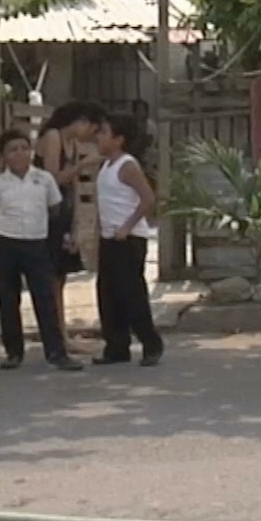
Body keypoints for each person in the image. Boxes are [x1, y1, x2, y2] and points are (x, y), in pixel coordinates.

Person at [0, 130, 84, 371]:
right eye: (13, 150)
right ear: (4, 157)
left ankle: (56, 353)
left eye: (24, 148)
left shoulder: (44, 179)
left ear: (31, 152)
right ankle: (13, 352)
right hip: (6, 244)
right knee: (8, 298)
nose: (19, 154)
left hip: (37, 243)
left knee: (45, 298)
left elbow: (55, 209)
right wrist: (5, 231)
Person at [92, 113, 165, 366]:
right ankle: (116, 345)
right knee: (108, 293)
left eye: (104, 132)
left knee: (131, 293)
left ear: (119, 139)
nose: (98, 137)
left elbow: (148, 199)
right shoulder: (106, 166)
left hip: (128, 238)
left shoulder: (128, 165)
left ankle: (151, 342)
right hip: (109, 238)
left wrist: (127, 226)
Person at [36, 100, 105, 352]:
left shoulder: (73, 144)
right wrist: (83, 166)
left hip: (63, 213)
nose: (91, 136)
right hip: (46, 213)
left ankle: (61, 334)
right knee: (50, 276)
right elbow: (52, 179)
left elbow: (73, 187)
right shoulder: (53, 137)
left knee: (60, 276)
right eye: (92, 129)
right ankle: (56, 336)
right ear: (80, 121)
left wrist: (76, 223)